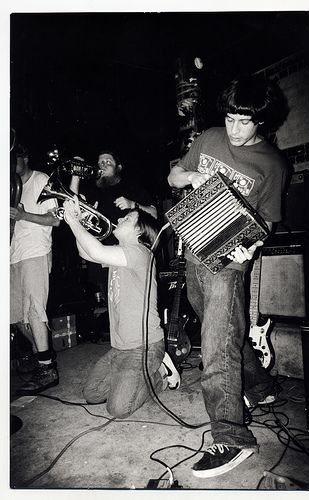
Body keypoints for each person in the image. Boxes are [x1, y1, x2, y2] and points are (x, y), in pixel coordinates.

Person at [168, 75, 288, 478]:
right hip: (195, 248)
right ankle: (261, 387)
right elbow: (174, 176)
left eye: (244, 122)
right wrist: (195, 177)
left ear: (262, 121)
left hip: (231, 261)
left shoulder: (272, 163)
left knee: (216, 345)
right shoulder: (209, 138)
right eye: (231, 118)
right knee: (220, 329)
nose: (234, 129)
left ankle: (232, 437)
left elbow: (268, 221)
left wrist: (251, 246)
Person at [63, 196, 180, 417]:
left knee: (118, 409)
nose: (119, 218)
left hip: (143, 347)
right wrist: (80, 221)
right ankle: (138, 375)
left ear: (139, 231)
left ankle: (160, 374)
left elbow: (96, 251)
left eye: (127, 218)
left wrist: (73, 221)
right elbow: (86, 253)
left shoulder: (140, 252)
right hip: (120, 347)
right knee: (92, 394)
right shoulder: (121, 252)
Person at [70, 149, 157, 295]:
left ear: (119, 167)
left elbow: (154, 214)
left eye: (108, 162)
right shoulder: (92, 189)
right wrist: (76, 175)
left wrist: (132, 204)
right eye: (100, 163)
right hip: (99, 255)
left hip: (128, 255)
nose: (103, 165)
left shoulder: (131, 186)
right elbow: (71, 202)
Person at [10, 144, 60, 394]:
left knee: (34, 311)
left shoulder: (42, 179)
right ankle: (41, 353)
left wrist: (24, 216)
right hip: (11, 255)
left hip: (35, 252)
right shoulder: (8, 185)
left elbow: (55, 219)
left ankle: (47, 367)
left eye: (13, 158)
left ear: (24, 157)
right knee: (15, 316)